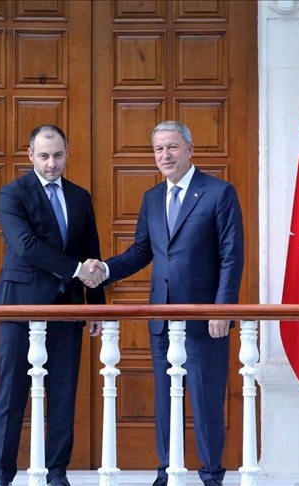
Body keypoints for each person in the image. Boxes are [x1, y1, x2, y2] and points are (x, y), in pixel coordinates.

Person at [84, 121, 244, 486]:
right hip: (161, 318)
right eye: (158, 149)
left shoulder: (219, 193)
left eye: (172, 147)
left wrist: (222, 309)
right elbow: (143, 251)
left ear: (190, 149)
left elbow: (232, 256)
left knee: (206, 401)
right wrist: (105, 270)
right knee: (166, 400)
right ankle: (167, 473)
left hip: (204, 319)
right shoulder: (152, 197)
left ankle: (211, 476)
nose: (164, 155)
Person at [0, 125, 106, 486]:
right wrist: (76, 270)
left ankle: (57, 474)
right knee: (12, 393)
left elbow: (91, 249)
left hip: (68, 308)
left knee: (63, 394)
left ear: (67, 153)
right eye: (43, 156)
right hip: (19, 307)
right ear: (31, 156)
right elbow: (26, 246)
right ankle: (1, 476)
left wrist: (96, 306)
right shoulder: (12, 194)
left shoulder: (80, 196)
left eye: (57, 155)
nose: (51, 163)